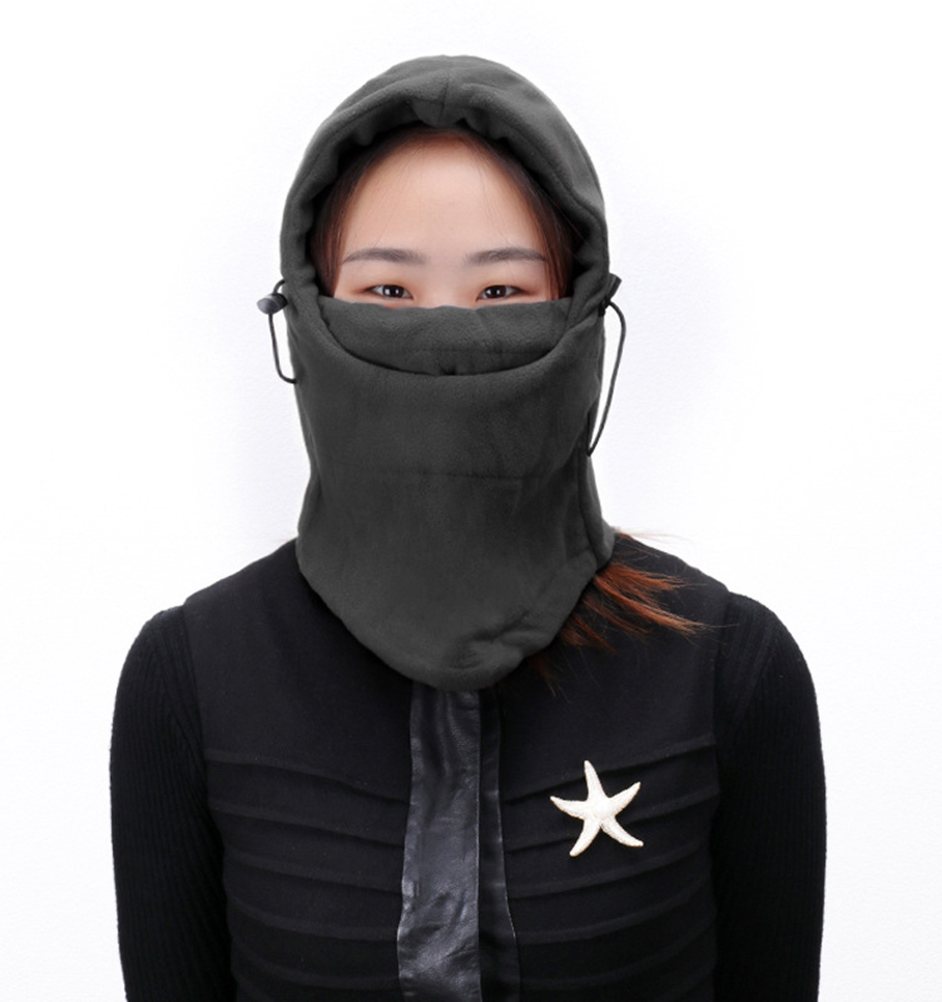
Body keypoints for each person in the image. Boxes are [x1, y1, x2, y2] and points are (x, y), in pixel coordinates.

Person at [111, 55, 825, 1001]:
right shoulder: (188, 680)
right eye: (387, 293)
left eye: (501, 294)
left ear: (582, 316)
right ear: (305, 316)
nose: (444, 339)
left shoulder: (731, 670)